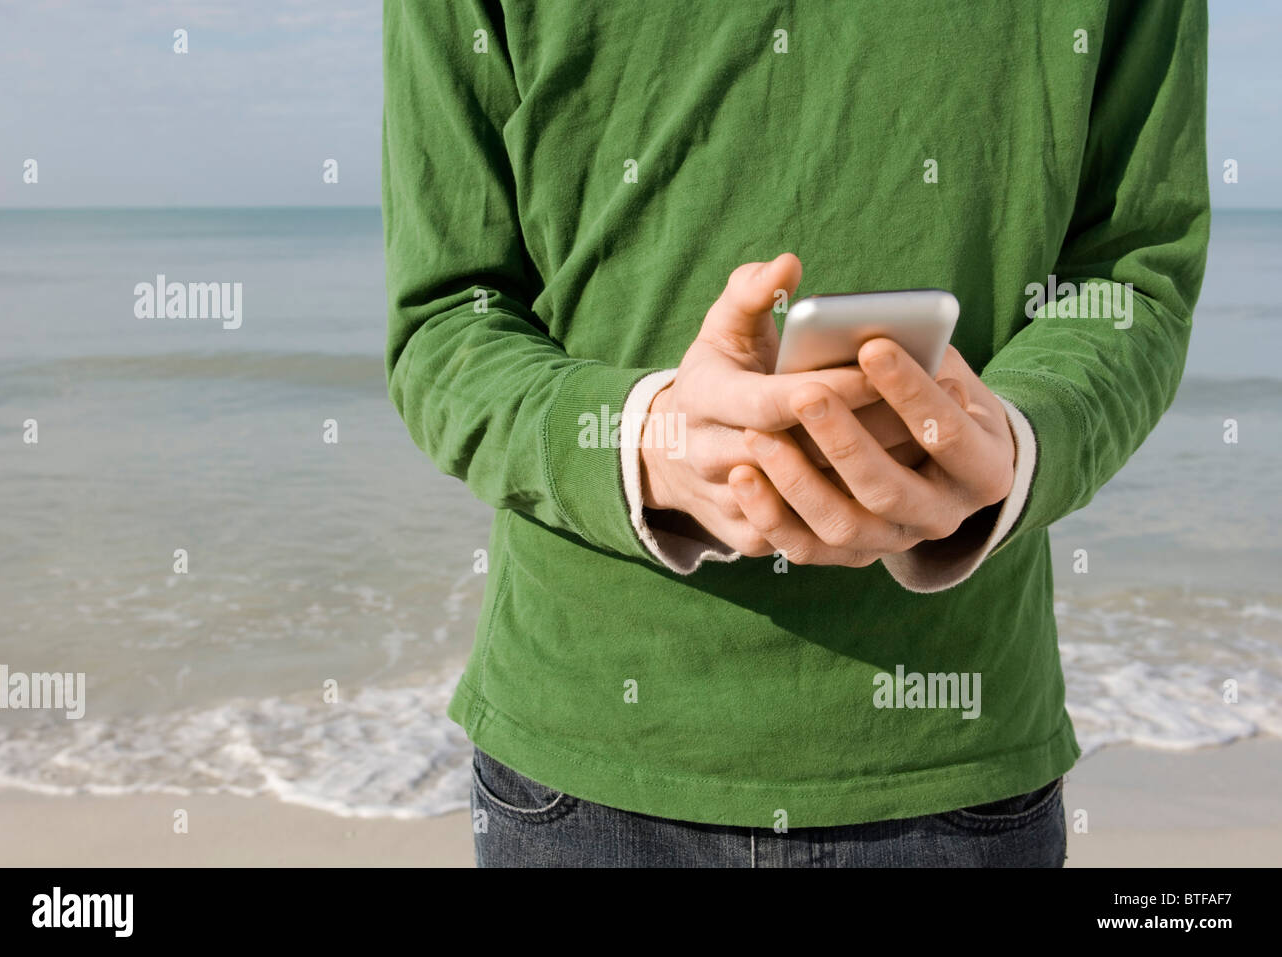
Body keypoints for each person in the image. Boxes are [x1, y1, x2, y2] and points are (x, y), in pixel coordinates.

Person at [382, 0, 1209, 867]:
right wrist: (650, 444)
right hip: (583, 764)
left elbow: (1131, 272)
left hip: (958, 758)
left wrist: (1017, 439)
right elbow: (447, 317)